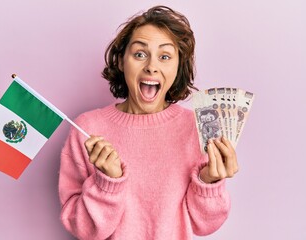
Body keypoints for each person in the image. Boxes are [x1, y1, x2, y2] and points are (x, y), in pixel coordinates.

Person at [59, 5, 238, 240]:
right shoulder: (87, 129)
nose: (151, 66)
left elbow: (204, 225)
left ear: (178, 67)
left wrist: (209, 182)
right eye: (140, 54)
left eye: (165, 56)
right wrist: (108, 183)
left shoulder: (196, 128)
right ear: (122, 62)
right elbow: (82, 229)